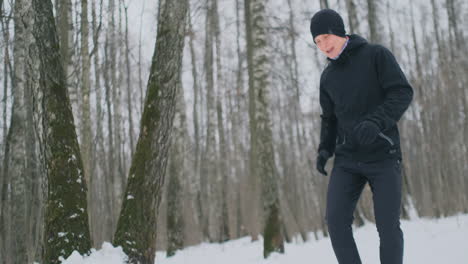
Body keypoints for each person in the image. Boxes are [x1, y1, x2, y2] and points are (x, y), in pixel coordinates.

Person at [310, 8, 414, 264]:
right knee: (335, 221)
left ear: (338, 31)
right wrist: (325, 149)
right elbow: (330, 118)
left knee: (387, 227)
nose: (323, 45)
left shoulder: (376, 55)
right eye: (317, 42)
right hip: (347, 160)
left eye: (325, 37)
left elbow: (402, 92)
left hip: (383, 154)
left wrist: (375, 123)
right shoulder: (328, 77)